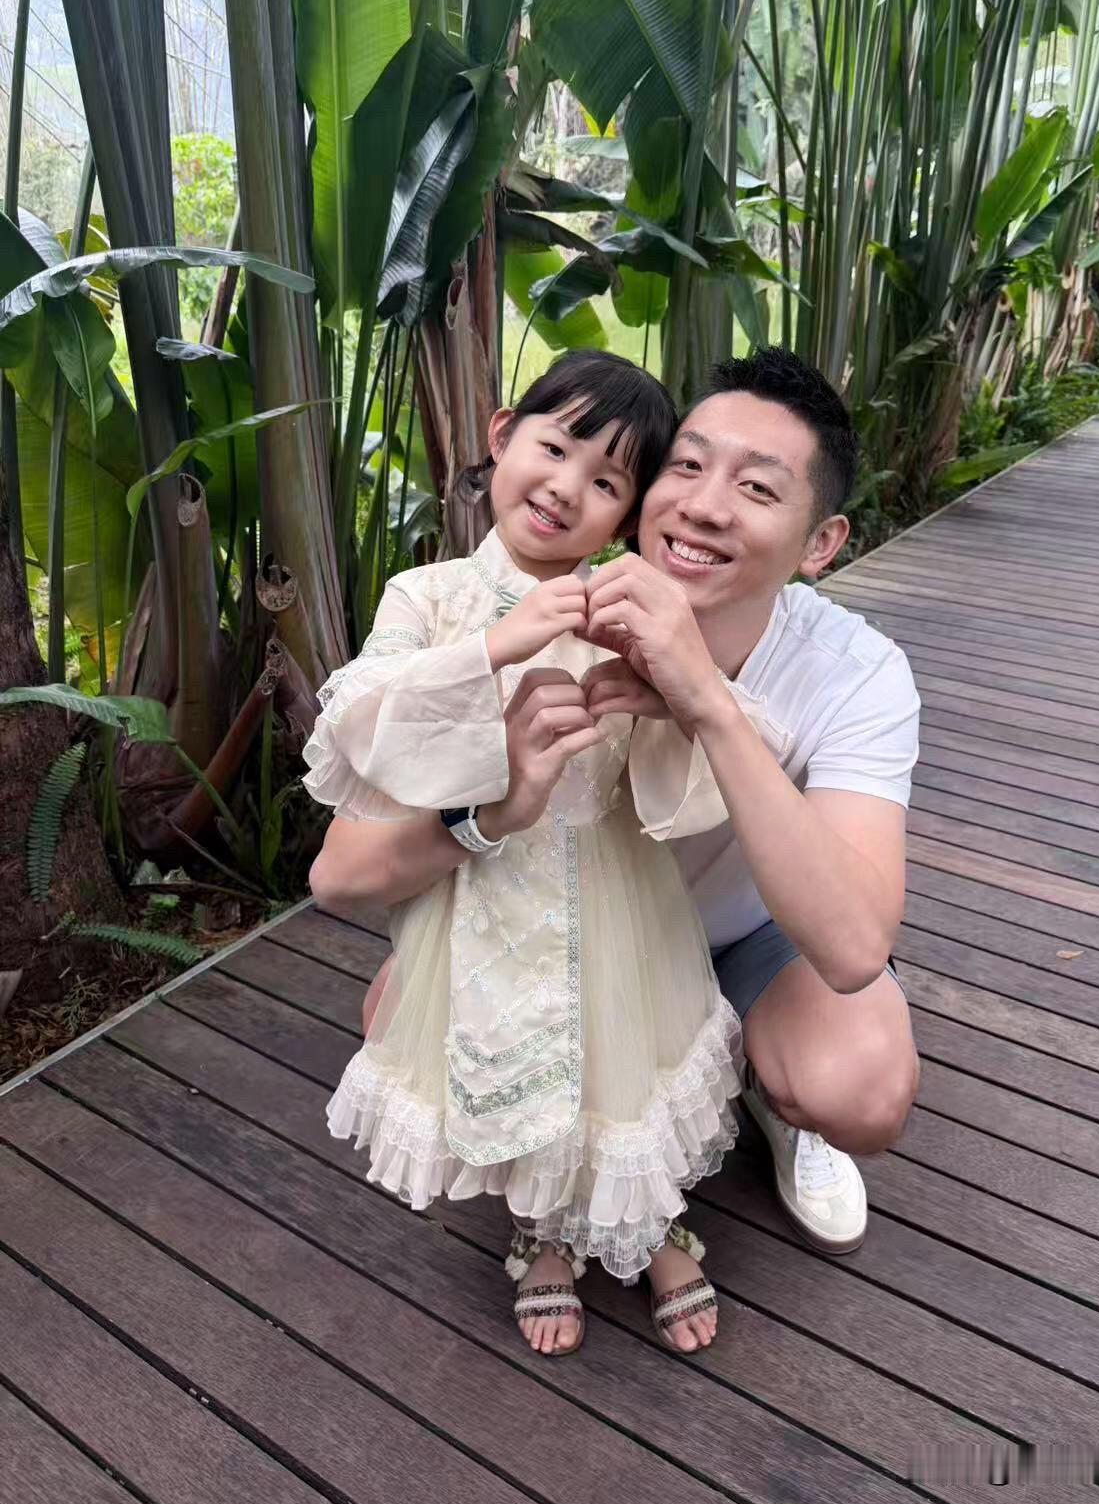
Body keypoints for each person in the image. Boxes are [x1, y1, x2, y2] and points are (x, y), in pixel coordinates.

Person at [313, 346, 921, 1265]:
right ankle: (556, 1214)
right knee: (399, 1018)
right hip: (561, 918)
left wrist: (702, 700)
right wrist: (491, 801)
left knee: (856, 1084)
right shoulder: (545, 607)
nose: (705, 505)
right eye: (687, 466)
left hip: (747, 934)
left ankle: (765, 1091)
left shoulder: (857, 671)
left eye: (757, 489)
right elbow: (339, 870)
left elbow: (853, 946)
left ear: (820, 543)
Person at [303, 351, 773, 1360]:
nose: (565, 487)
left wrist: (666, 704)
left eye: (606, 481)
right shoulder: (427, 596)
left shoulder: (629, 607)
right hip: (483, 899)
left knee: (621, 1064)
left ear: (628, 515)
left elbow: (702, 766)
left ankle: (653, 1226)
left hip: (616, 896)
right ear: (502, 433)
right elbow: (360, 724)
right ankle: (542, 1236)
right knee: (514, 1058)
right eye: (555, 448)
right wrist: (496, 647)